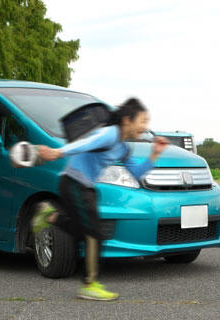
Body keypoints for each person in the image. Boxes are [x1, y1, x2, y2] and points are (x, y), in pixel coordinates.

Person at [35, 98, 169, 301]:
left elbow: (137, 173)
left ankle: (50, 216)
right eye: (142, 121)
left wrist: (154, 155)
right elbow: (85, 143)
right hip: (73, 183)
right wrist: (58, 152)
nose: (145, 127)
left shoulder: (123, 148)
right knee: (94, 234)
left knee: (86, 231)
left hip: (85, 187)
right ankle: (89, 285)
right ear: (127, 120)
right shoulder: (109, 133)